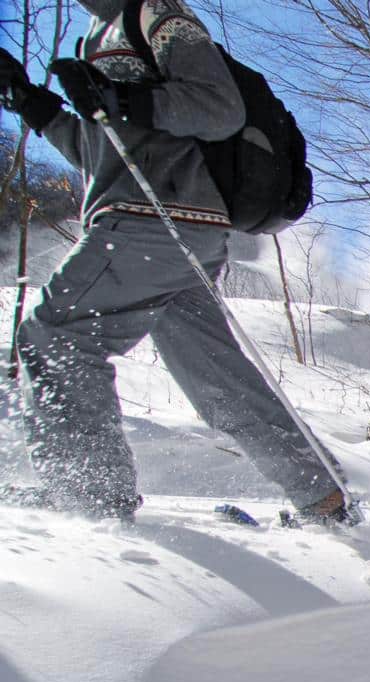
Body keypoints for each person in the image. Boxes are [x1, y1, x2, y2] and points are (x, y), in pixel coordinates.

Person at [0, 3, 349, 524]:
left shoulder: (154, 13)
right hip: (177, 229)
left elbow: (218, 107)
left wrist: (120, 99)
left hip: (152, 218)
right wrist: (34, 104)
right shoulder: (96, 34)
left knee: (57, 333)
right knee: (215, 375)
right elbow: (106, 149)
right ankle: (320, 494)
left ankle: (89, 498)